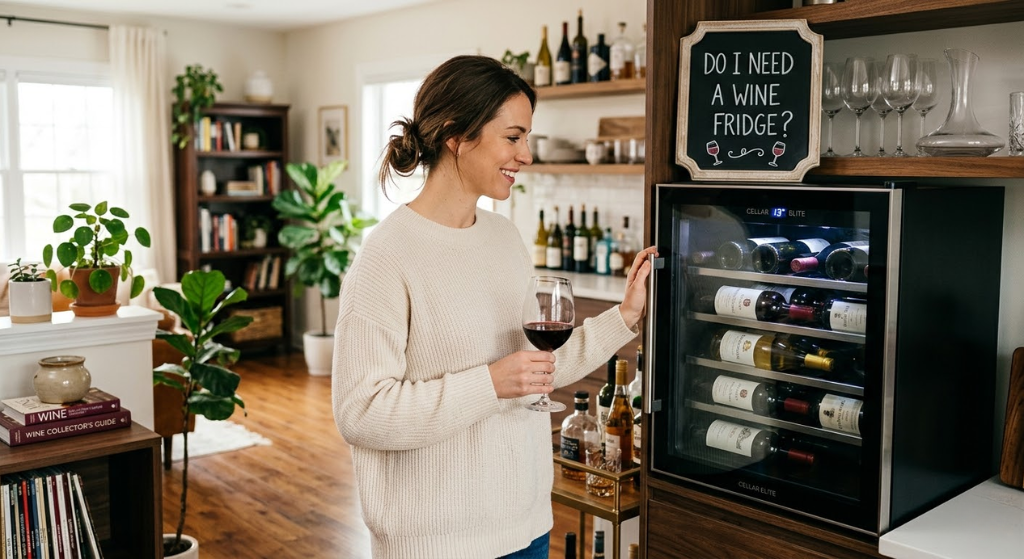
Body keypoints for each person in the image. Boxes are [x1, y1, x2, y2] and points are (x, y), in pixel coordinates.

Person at [332, 54, 657, 559]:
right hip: (438, 542)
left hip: (525, 523)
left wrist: (626, 316)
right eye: (513, 137)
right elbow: (362, 413)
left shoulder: (505, 238)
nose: (526, 154)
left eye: (527, 137)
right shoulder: (386, 257)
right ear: (455, 136)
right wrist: (489, 384)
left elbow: (533, 371)